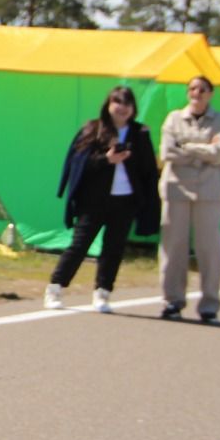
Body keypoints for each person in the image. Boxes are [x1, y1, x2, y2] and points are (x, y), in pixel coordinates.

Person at [44, 86, 160, 314]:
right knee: (79, 245)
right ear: (108, 105)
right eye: (118, 102)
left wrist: (146, 199)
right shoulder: (94, 129)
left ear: (133, 108)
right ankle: (55, 288)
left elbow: (148, 170)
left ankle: (103, 292)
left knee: (114, 248)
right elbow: (78, 163)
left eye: (127, 104)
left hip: (125, 201)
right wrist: (106, 159)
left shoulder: (140, 133)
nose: (122, 108)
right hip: (94, 201)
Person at [157, 75, 220, 321]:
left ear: (210, 94)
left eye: (202, 89)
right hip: (176, 189)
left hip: (209, 191)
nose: (197, 93)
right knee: (173, 246)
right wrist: (203, 150)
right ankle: (172, 301)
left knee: (210, 249)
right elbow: (167, 151)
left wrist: (187, 146)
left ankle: (209, 305)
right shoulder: (174, 118)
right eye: (192, 89)